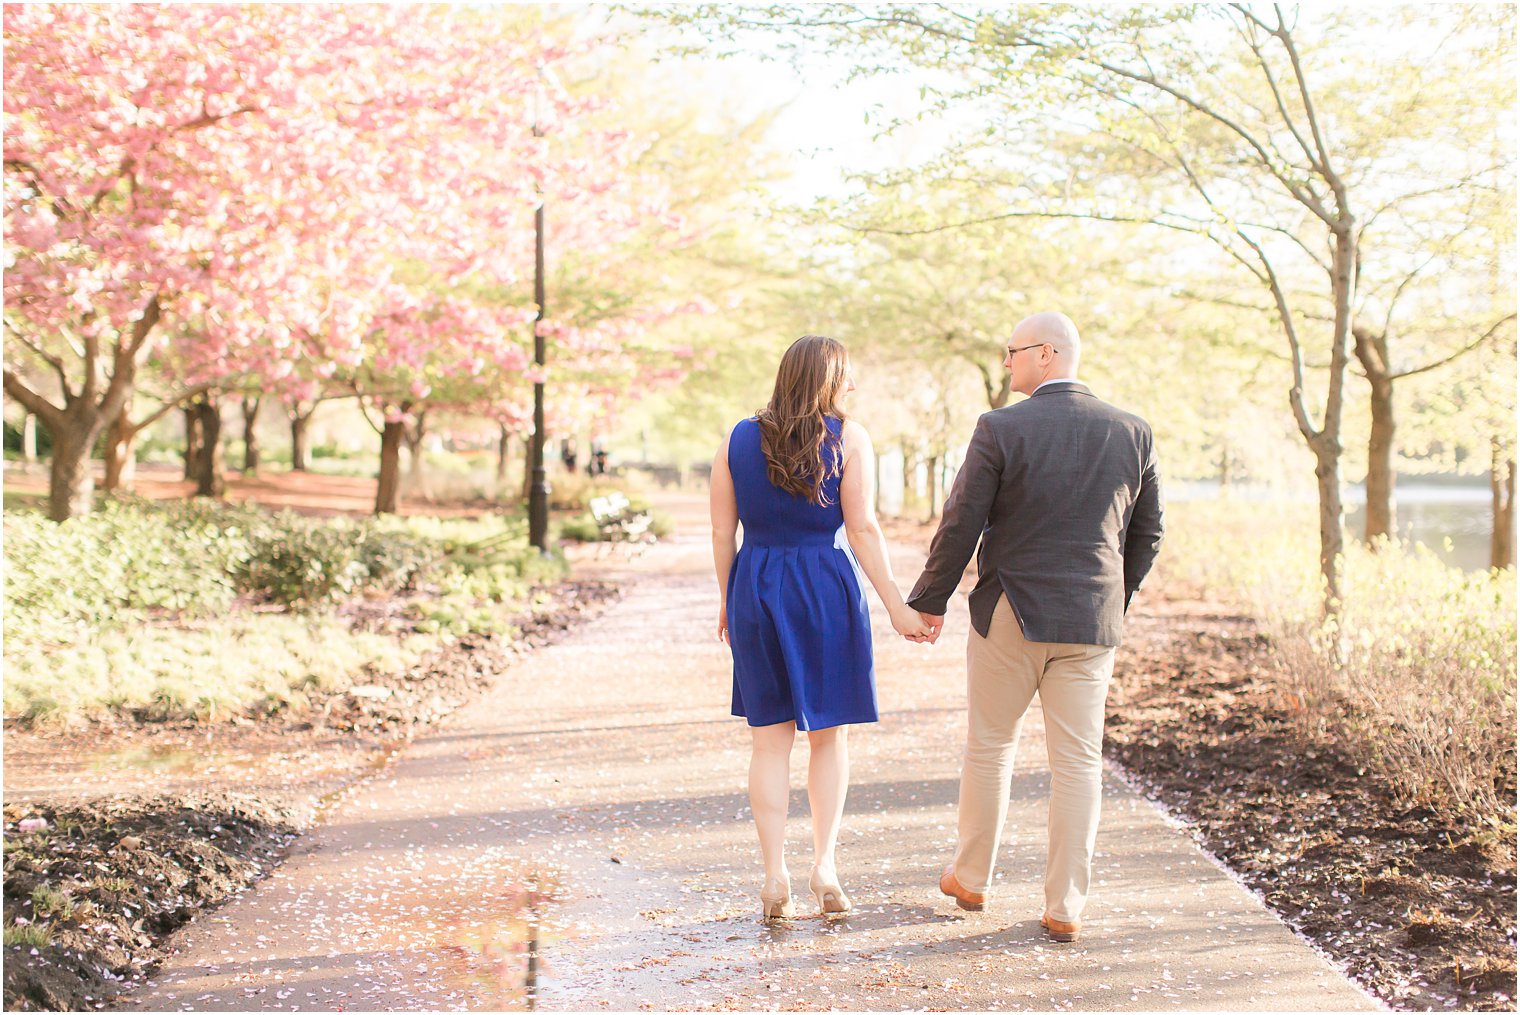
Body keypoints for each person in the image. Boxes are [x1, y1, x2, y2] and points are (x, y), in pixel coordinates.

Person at [907, 312, 1164, 943]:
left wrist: (929, 600)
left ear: (1045, 354)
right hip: (1090, 624)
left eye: (1012, 352)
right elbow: (1148, 532)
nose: (1006, 363)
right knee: (1078, 763)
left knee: (991, 747)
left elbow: (961, 520)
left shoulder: (999, 428)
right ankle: (1065, 905)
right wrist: (1113, 597)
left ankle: (970, 878)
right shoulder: (1133, 431)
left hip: (1009, 616)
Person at [711, 334, 932, 921]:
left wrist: (728, 601)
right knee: (828, 734)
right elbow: (861, 530)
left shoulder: (736, 439)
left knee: (768, 739)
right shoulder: (849, 438)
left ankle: (772, 874)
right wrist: (897, 606)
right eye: (846, 376)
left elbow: (721, 534)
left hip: (755, 585)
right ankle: (825, 864)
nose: (853, 387)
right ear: (824, 379)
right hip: (824, 588)